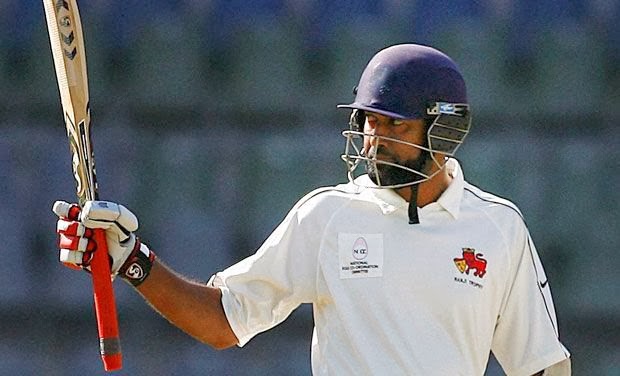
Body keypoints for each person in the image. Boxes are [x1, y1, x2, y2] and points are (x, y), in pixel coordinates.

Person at [54, 44, 571, 375]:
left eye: (396, 127)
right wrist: (132, 261)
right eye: (370, 122)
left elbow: (541, 364)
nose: (375, 141)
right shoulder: (327, 218)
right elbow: (224, 321)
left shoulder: (498, 228)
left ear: (445, 133)